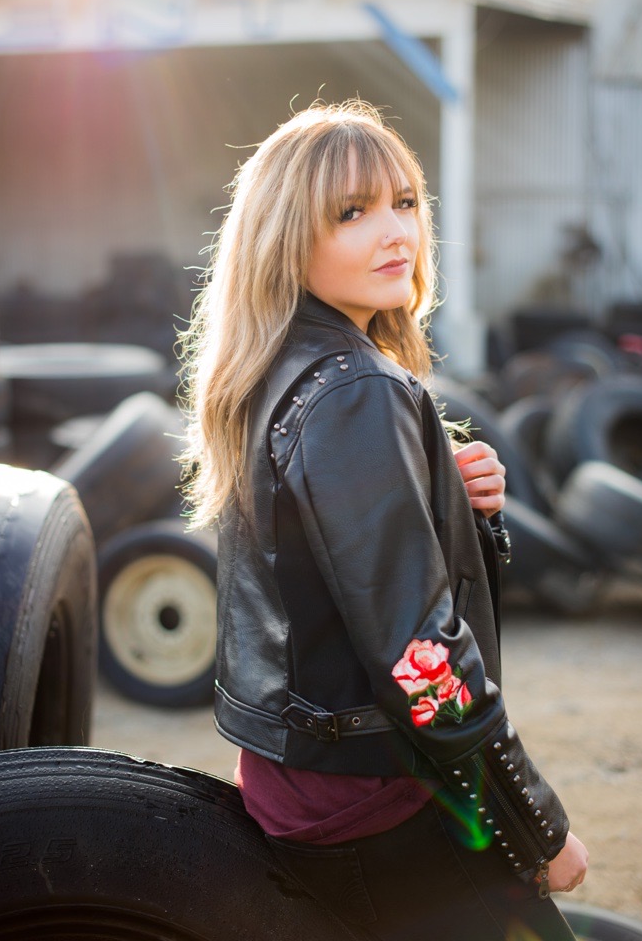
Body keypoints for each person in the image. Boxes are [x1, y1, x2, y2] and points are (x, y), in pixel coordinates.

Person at [181, 100, 588, 940]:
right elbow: (419, 653)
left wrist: (456, 509)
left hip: (305, 772)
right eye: (353, 212)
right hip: (375, 793)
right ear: (289, 237)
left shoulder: (275, 369)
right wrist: (535, 826)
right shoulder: (353, 389)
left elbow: (325, 582)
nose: (395, 232)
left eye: (405, 202)